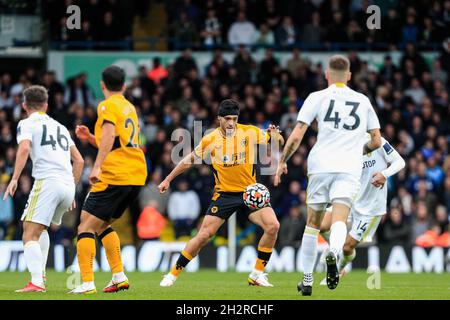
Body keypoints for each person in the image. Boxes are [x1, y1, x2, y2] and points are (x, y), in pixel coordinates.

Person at [275, 55, 381, 296]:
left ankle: (307, 280)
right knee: (339, 220)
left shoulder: (317, 97)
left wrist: (282, 161)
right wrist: (359, 149)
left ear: (327, 75)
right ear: (350, 76)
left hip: (320, 165)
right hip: (349, 167)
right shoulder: (362, 101)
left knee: (312, 225)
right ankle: (333, 252)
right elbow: (375, 140)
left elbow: (297, 133)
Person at [158, 99, 284, 287]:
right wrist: (168, 178)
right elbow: (189, 160)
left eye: (234, 118)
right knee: (203, 236)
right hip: (224, 194)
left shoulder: (249, 132)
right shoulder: (211, 139)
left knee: (273, 225)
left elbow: (278, 141)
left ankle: (257, 273)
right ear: (219, 119)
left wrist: (275, 135)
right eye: (227, 119)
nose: (231, 123)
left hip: (249, 193)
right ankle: (172, 274)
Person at [70, 66, 147, 294]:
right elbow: (116, 142)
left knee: (84, 225)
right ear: (123, 85)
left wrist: (97, 166)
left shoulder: (106, 105)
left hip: (115, 173)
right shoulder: (128, 106)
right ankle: (119, 276)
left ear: (102, 85)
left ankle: (86, 283)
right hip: (135, 174)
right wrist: (91, 138)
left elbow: (111, 135)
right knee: (102, 224)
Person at [4, 85, 84, 292]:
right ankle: (41, 276)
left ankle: (36, 281)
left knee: (28, 233)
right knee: (41, 229)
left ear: (24, 105)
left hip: (48, 182)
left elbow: (23, 148)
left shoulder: (26, 123)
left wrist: (14, 178)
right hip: (67, 185)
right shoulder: (60, 127)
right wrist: (72, 187)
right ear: (46, 106)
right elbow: (80, 161)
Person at [318, 135, 406, 283]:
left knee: (347, 248)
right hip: (350, 199)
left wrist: (384, 174)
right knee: (322, 225)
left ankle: (338, 270)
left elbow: (400, 162)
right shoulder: (345, 143)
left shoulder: (378, 142)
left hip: (370, 209)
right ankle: (334, 248)